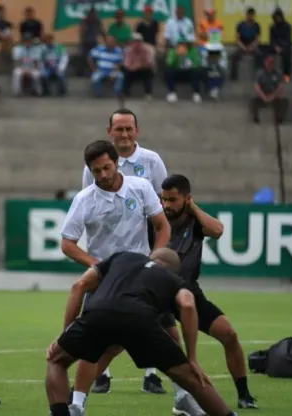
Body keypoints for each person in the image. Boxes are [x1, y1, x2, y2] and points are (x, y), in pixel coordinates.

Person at [46, 249, 239, 416]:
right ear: (174, 269)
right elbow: (188, 305)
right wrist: (193, 359)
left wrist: (67, 335)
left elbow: (78, 286)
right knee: (191, 379)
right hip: (141, 321)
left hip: (98, 313)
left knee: (56, 360)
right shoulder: (175, 280)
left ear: (149, 257)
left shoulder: (122, 257)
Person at [62, 140, 181, 413]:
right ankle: (76, 403)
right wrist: (98, 266)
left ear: (117, 163)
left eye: (106, 167)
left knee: (171, 336)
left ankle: (183, 394)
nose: (102, 175)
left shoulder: (140, 187)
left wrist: (155, 259)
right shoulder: (84, 200)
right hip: (105, 282)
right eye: (96, 171)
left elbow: (161, 225)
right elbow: (67, 243)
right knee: (97, 346)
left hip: (142, 278)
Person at [79, 109, 171, 396]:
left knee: (154, 314)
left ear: (137, 131)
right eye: (119, 129)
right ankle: (101, 374)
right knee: (97, 313)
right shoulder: (94, 164)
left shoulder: (151, 162)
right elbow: (89, 204)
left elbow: (164, 204)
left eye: (129, 129)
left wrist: (158, 254)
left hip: (141, 249)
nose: (124, 134)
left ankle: (152, 374)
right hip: (106, 254)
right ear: (110, 132)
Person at [161, 174, 258, 410]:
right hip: (158, 293)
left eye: (173, 200)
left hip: (189, 291)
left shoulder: (196, 222)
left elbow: (217, 230)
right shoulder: (156, 218)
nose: (167, 206)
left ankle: (244, 395)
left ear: (187, 198)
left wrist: (193, 208)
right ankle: (78, 395)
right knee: (117, 342)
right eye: (164, 199)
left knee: (229, 335)